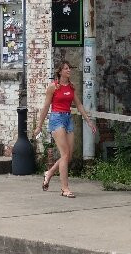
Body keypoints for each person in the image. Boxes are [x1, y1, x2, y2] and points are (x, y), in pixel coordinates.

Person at [32, 60, 97, 198]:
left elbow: (79, 105)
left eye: (69, 68)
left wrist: (89, 121)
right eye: (66, 69)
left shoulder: (71, 87)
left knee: (68, 157)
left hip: (68, 119)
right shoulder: (53, 87)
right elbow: (45, 107)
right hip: (57, 119)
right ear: (60, 71)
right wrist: (39, 126)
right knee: (64, 155)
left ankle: (49, 173)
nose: (69, 70)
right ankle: (64, 188)